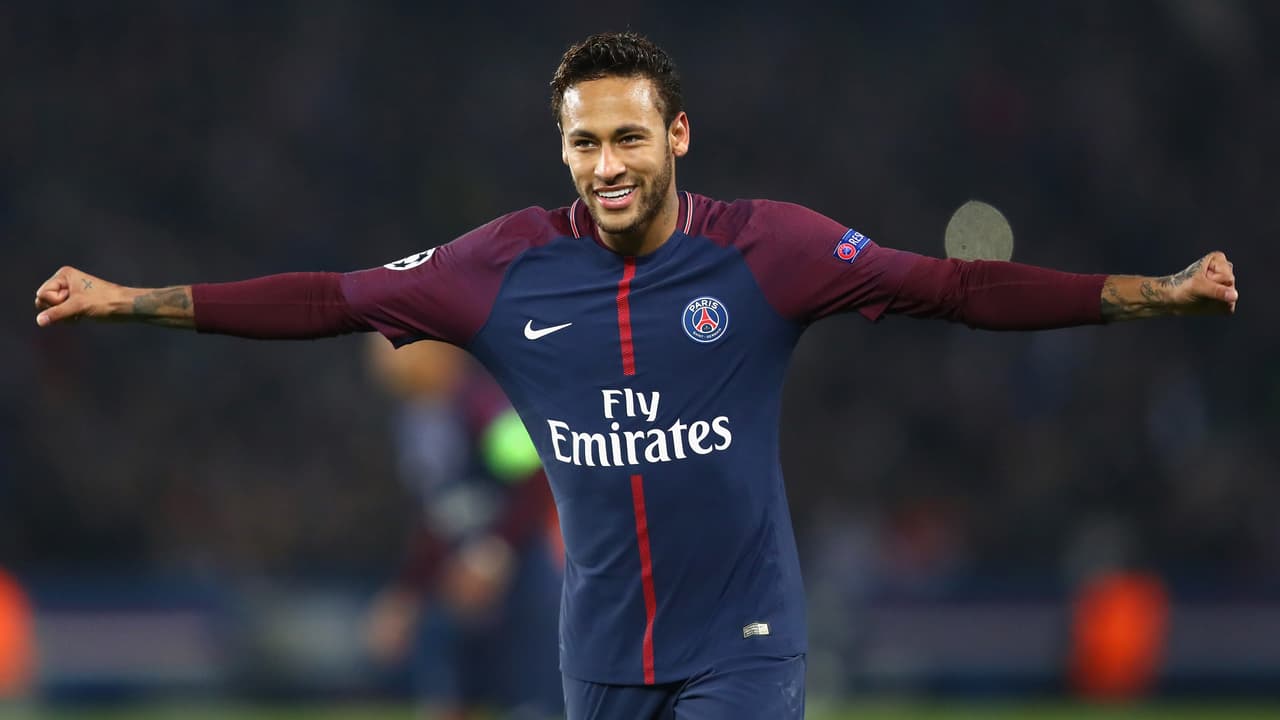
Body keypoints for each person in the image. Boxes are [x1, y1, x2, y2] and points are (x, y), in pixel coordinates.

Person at [33, 31, 1237, 720]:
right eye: (582, 140)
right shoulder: (497, 267)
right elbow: (327, 299)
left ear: (676, 137)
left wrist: (1145, 291)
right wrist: (133, 302)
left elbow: (958, 288)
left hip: (745, 645)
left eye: (625, 135)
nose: (604, 163)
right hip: (595, 655)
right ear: (562, 148)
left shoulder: (772, 247)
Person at [363, 337, 563, 719]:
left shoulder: (484, 406)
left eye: (392, 342)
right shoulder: (415, 420)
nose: (383, 358)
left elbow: (536, 474)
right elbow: (435, 517)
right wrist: (407, 591)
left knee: (531, 699)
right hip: (457, 586)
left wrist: (495, 549)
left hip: (522, 578)